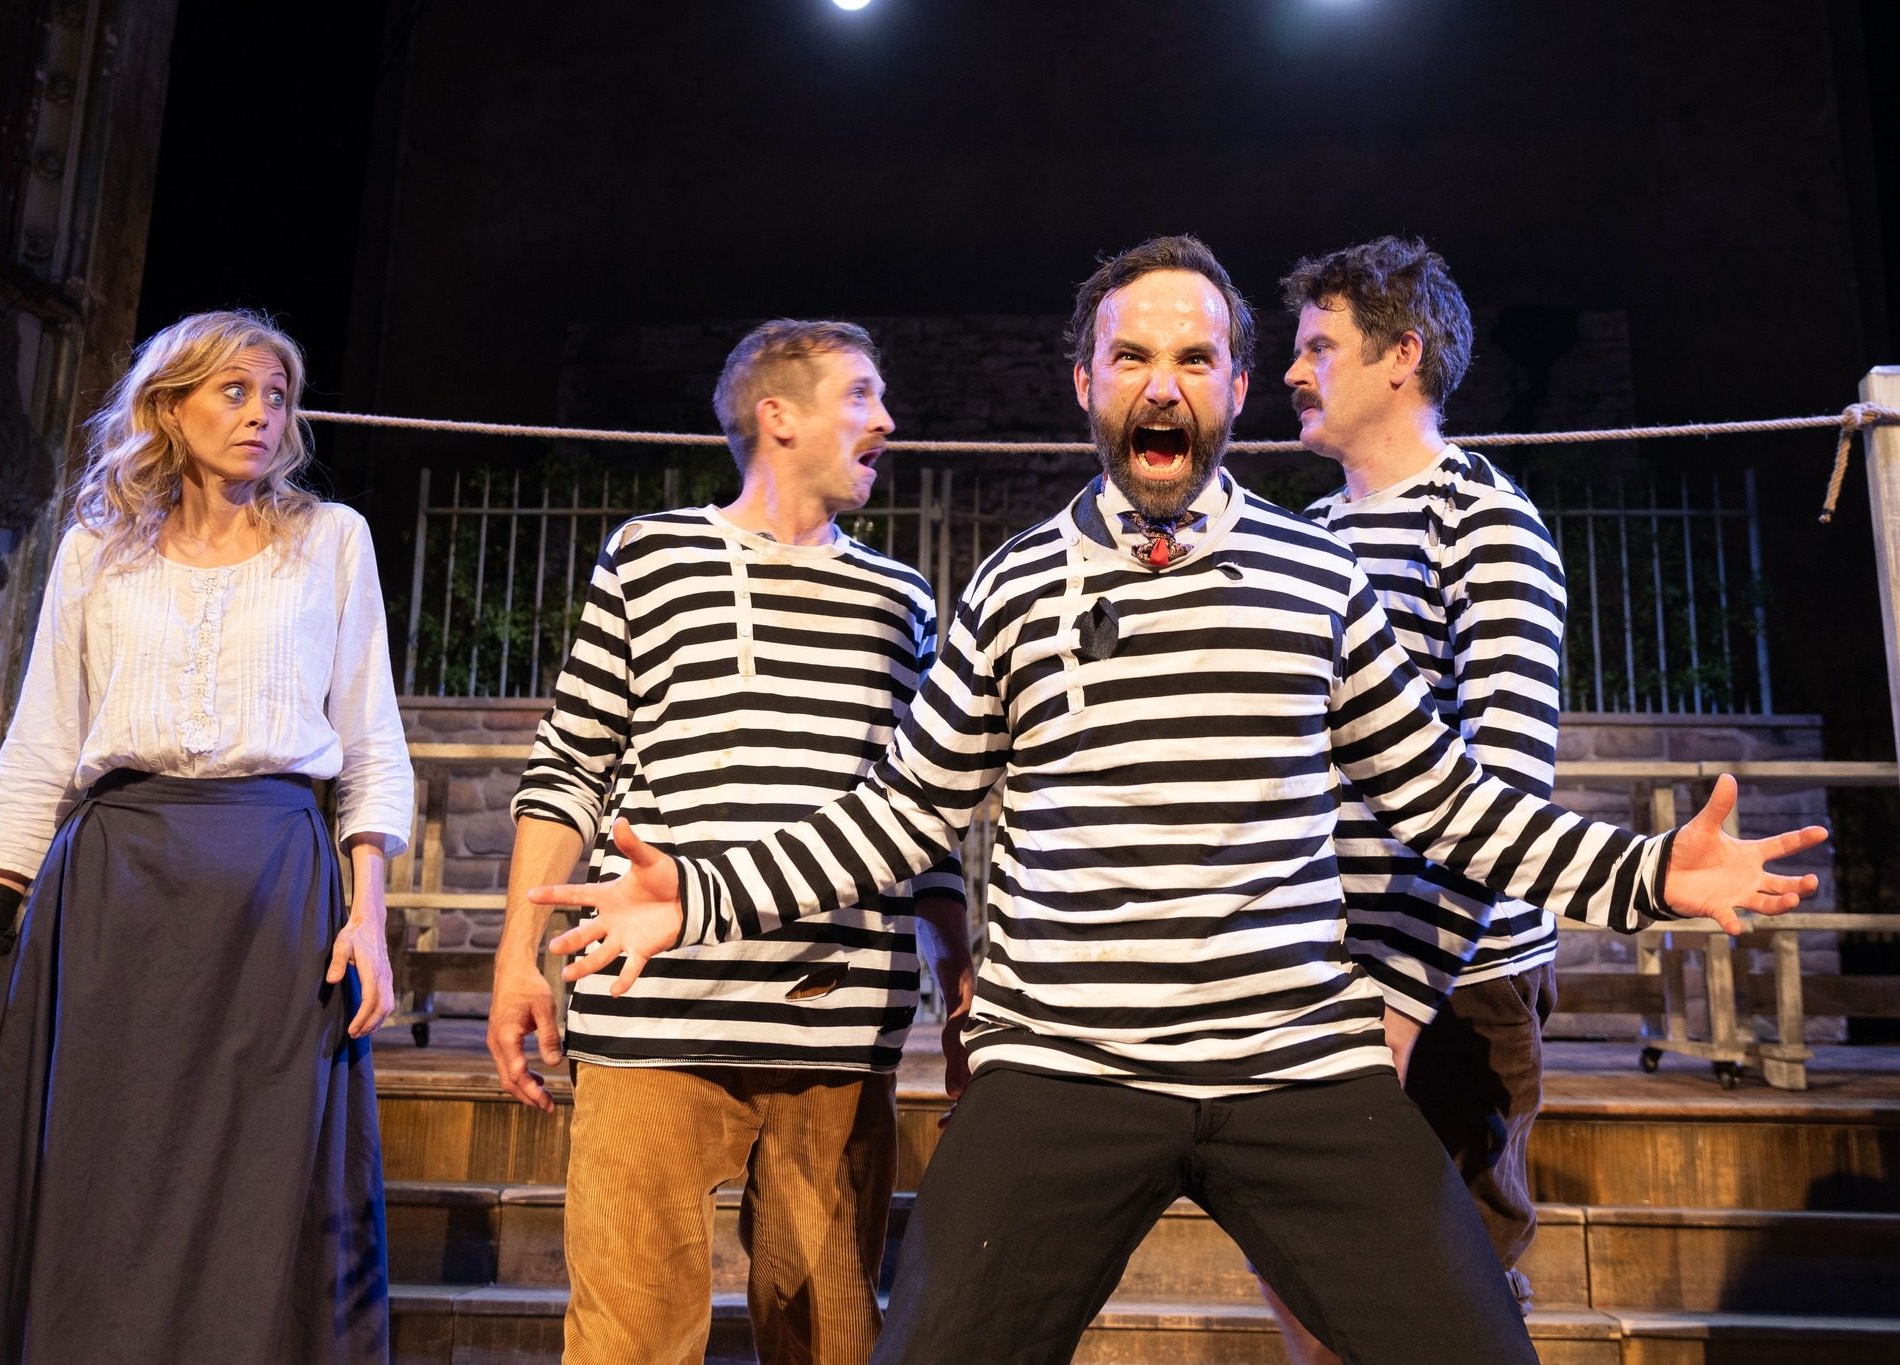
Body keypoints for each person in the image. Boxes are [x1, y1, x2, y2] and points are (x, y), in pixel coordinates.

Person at [527, 235, 1825, 1365]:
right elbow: (901, 811)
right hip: (1065, 1067)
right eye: (1132, 357)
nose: (1162, 384)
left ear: (1235, 388)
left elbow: (1450, 801)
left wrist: (1649, 872)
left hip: (1291, 1065)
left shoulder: (1318, 580)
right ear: (1084, 384)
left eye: (1195, 359)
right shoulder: (1015, 587)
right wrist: (698, 895)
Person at [0, 310, 413, 1365]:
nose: (262, 414)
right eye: (234, 391)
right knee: (103, 1166)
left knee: (256, 1173)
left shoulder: (331, 540)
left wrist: (368, 917)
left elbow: (369, 740)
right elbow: (42, 745)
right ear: (169, 409)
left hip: (272, 888)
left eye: (277, 396)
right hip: (115, 889)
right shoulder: (98, 551)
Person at [486, 319, 974, 1364]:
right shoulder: (652, 555)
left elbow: (920, 812)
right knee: (628, 1335)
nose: (887, 420)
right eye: (861, 394)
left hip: (835, 1016)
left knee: (830, 1333)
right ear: (777, 415)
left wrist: (957, 976)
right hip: (650, 1003)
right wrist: (515, 959)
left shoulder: (901, 599)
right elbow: (570, 762)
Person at [1253, 236, 1567, 1362]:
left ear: (1401, 356)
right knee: (1299, 1263)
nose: (1291, 371)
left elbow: (1505, 791)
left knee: (1445, 1297)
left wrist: (1399, 994)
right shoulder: (1307, 543)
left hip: (1454, 981)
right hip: (1324, 966)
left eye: (1317, 347)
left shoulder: (1483, 523)